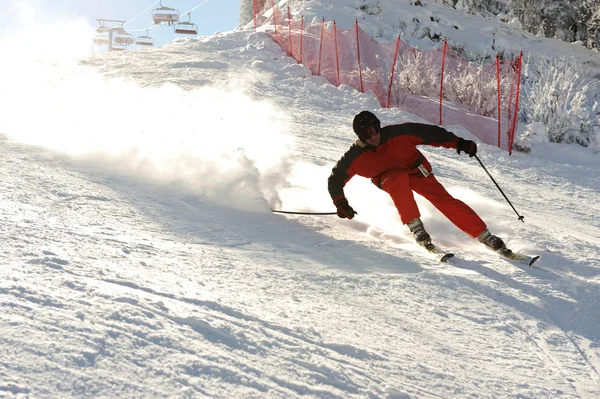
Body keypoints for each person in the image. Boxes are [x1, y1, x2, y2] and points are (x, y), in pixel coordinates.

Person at [328, 110, 508, 253]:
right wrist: (341, 203)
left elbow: (432, 134)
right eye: (367, 134)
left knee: (443, 199)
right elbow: (335, 179)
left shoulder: (399, 134)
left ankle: (485, 236)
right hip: (389, 178)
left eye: (375, 129)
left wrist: (459, 143)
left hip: (416, 169)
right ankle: (416, 228)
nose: (374, 136)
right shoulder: (354, 157)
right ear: (360, 137)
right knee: (398, 178)